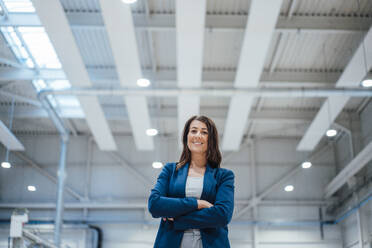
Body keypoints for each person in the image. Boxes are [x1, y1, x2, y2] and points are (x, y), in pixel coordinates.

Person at [148, 115, 235, 248]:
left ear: (210, 139)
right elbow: (154, 204)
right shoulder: (170, 170)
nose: (198, 135)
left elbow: (222, 215)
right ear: (186, 136)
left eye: (204, 132)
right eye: (193, 131)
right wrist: (197, 203)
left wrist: (176, 218)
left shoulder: (224, 176)